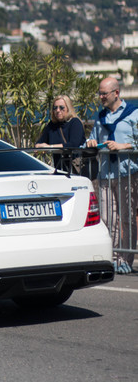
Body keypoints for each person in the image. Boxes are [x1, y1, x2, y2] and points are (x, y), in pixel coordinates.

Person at [85, 77, 138, 274]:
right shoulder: (100, 117)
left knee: (127, 218)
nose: (100, 97)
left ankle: (126, 259)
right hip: (106, 174)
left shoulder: (134, 114)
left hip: (127, 174)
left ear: (116, 93)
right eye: (99, 93)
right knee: (108, 219)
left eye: (104, 94)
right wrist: (90, 143)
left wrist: (123, 146)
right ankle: (113, 258)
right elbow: (92, 139)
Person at [35, 95, 85, 172]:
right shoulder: (52, 125)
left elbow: (73, 144)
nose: (58, 110)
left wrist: (50, 147)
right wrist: (39, 146)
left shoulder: (75, 122)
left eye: (61, 107)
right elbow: (40, 142)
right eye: (55, 108)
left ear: (68, 108)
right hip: (59, 169)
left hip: (75, 169)